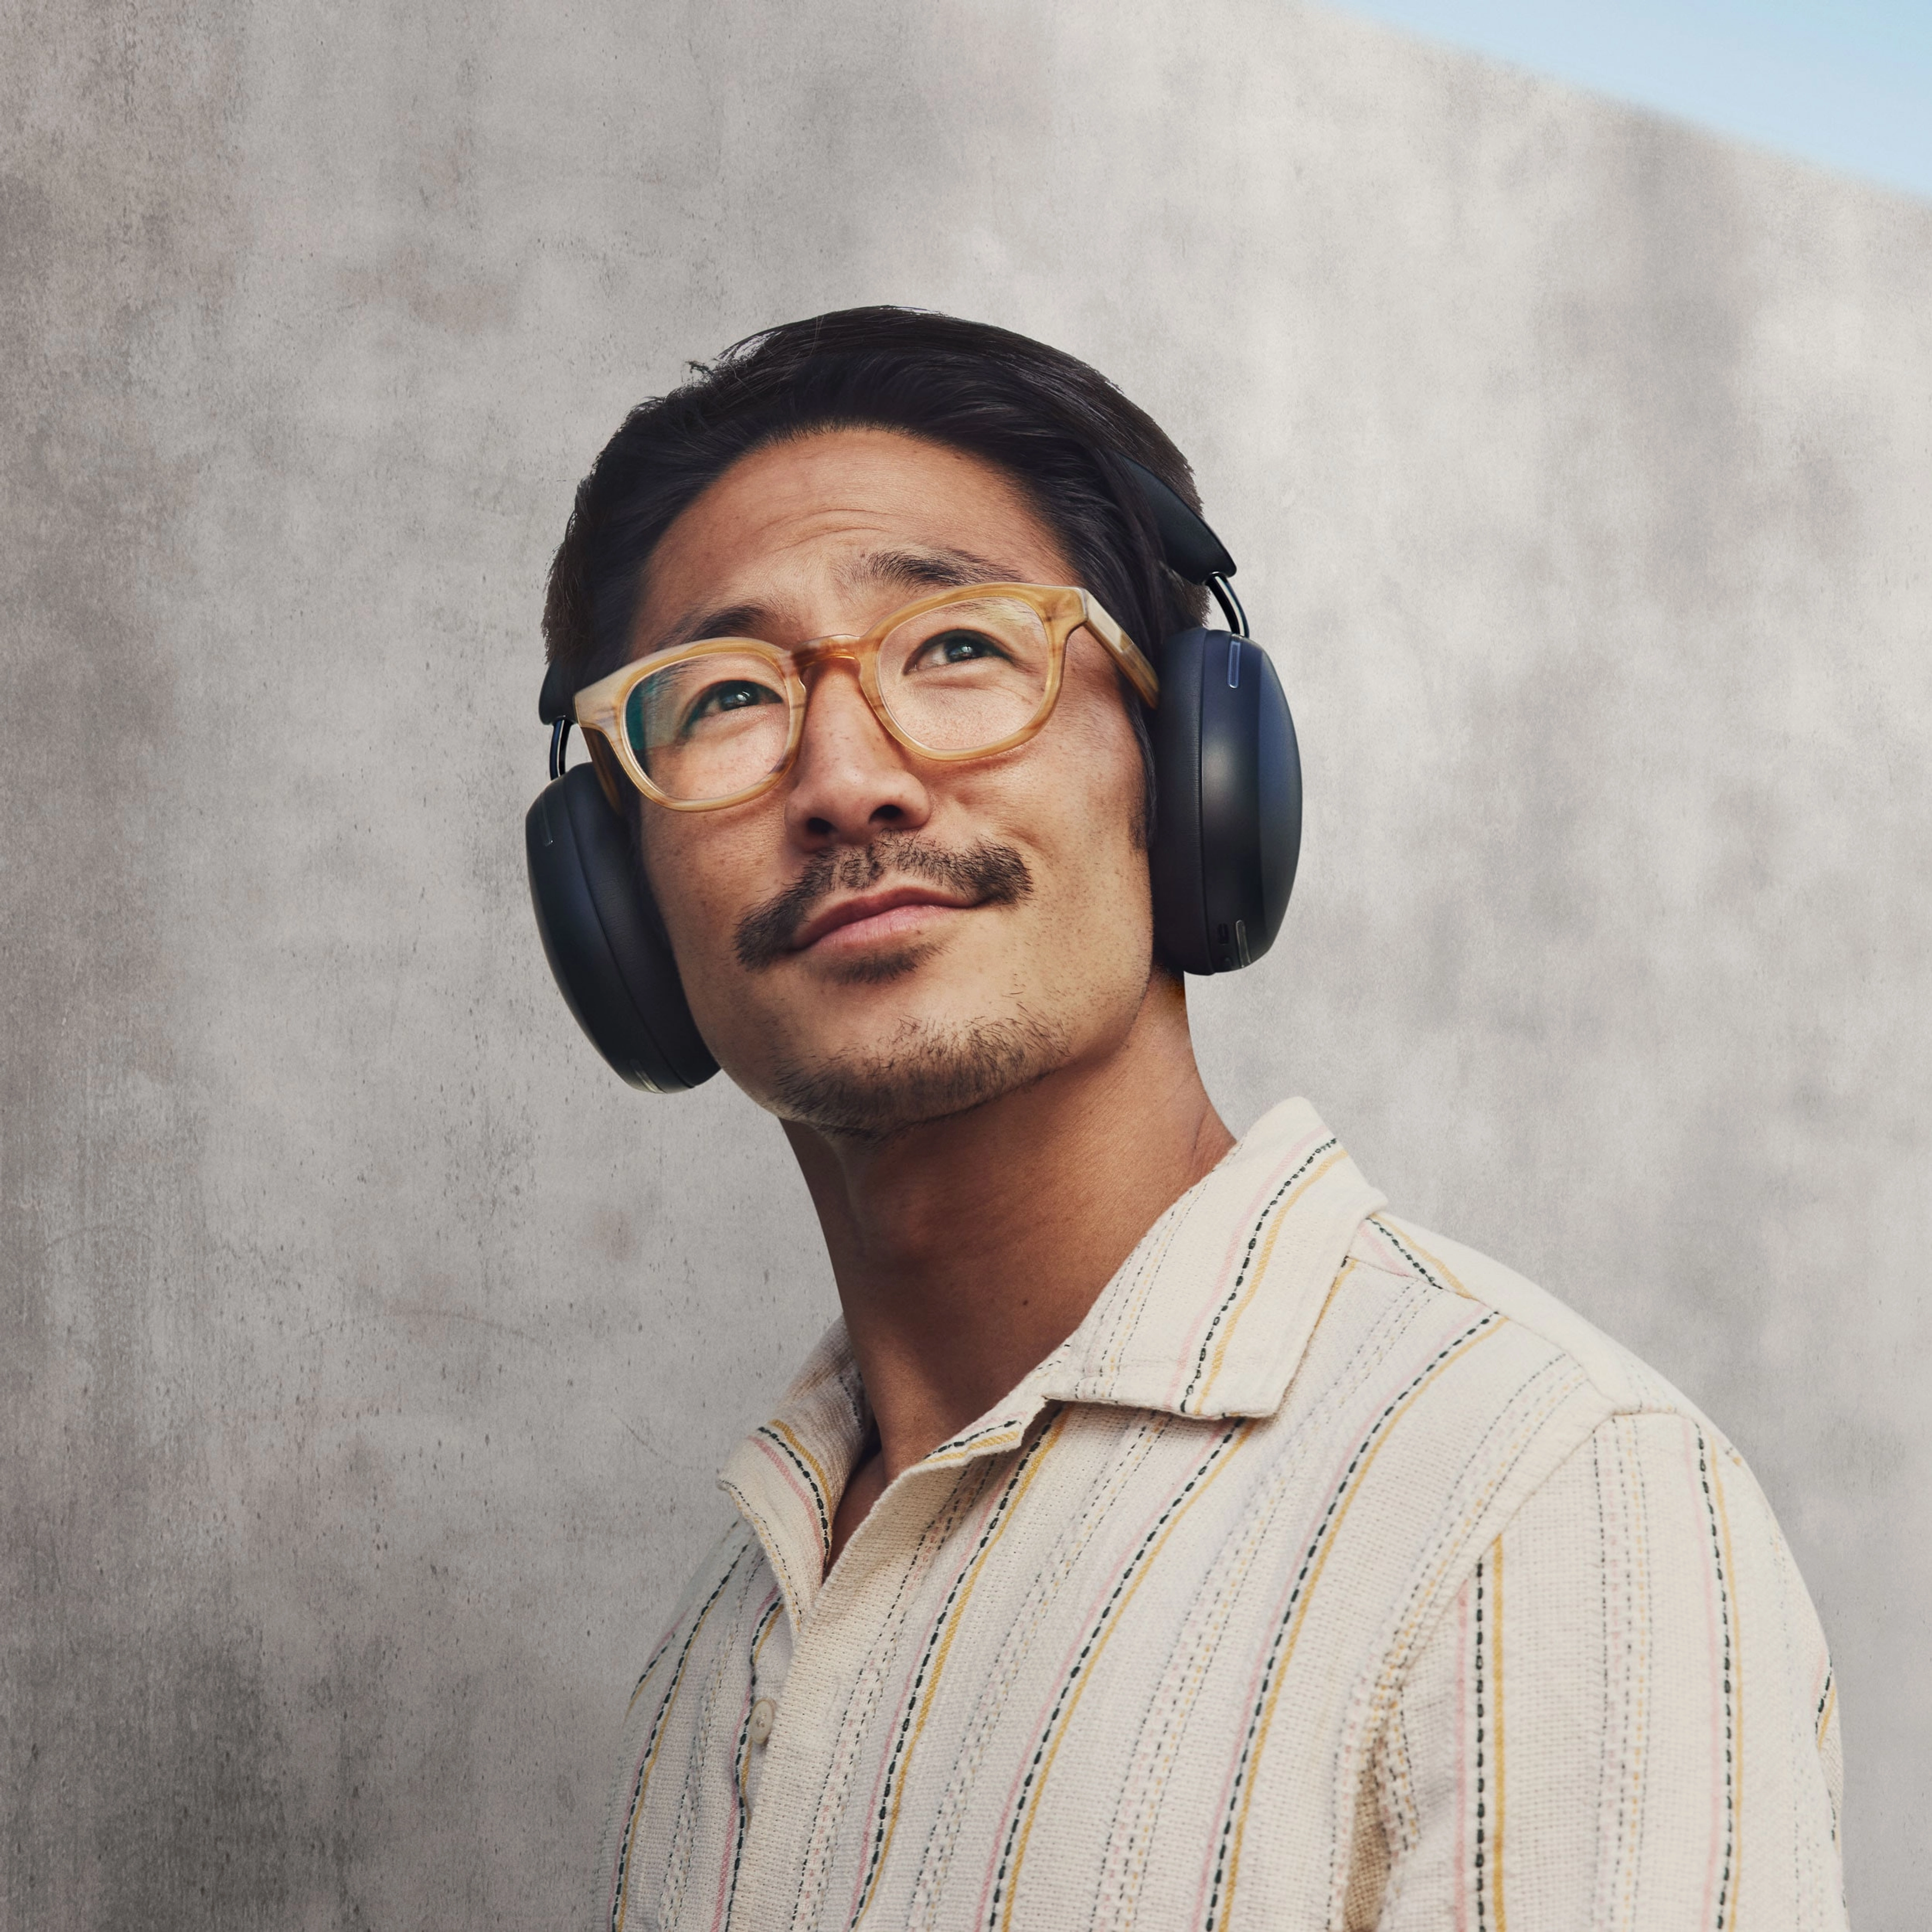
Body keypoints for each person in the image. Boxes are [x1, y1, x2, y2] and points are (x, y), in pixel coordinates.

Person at [532, 308, 1846, 1930]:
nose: (847, 777)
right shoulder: (728, 1651)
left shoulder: (1533, 1502)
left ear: (1188, 770)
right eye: (726, 696)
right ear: (611, 899)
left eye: (958, 648)